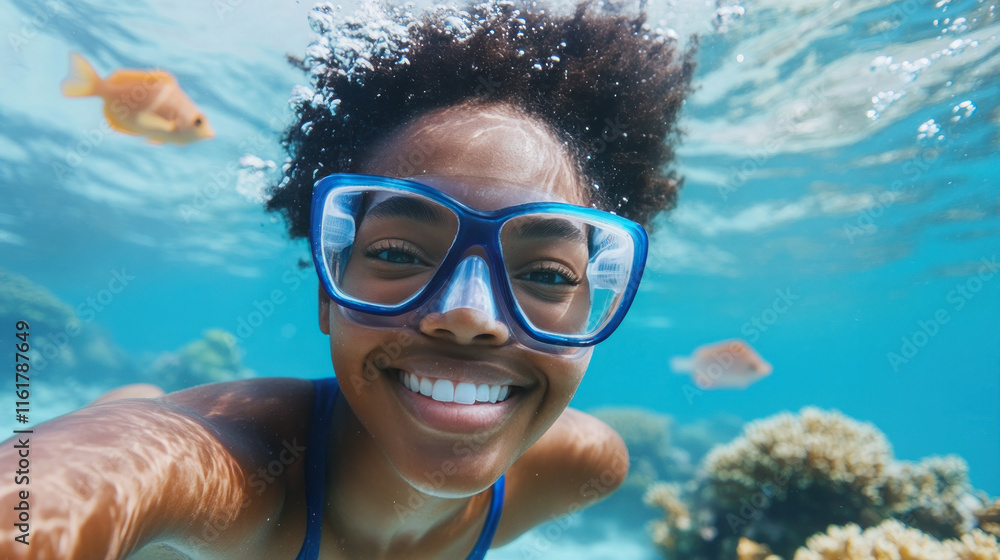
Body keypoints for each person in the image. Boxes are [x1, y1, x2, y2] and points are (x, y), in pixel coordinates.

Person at [2, 1, 693, 558]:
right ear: (327, 294)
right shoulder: (229, 471)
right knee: (131, 408)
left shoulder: (586, 468)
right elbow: (79, 482)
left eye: (545, 272)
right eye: (397, 253)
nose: (469, 315)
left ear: (589, 316)